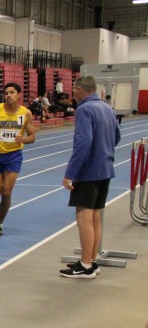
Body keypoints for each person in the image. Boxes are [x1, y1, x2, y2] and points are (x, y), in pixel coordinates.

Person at [60, 76, 120, 279]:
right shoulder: (107, 108)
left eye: (73, 89)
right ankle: (92, 261)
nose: (73, 93)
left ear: (79, 89)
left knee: (83, 218)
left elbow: (83, 143)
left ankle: (85, 266)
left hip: (88, 172)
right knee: (95, 217)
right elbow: (117, 137)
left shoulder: (84, 110)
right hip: (106, 168)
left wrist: (70, 173)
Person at [0, 82, 36, 236]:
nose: (9, 95)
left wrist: (24, 139)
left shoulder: (26, 113)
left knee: (6, 192)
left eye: (12, 92)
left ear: (19, 95)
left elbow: (32, 136)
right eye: (6, 93)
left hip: (14, 156)